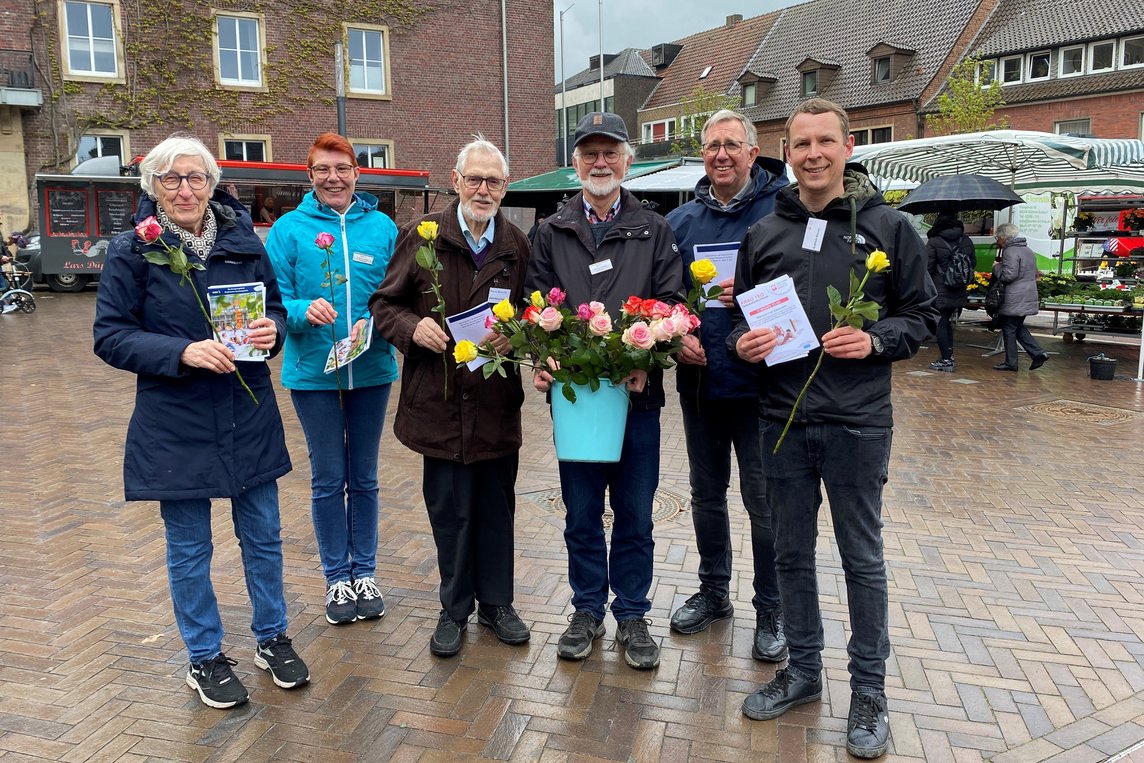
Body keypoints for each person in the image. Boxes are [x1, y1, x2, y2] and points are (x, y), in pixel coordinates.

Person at [730, 99, 937, 759]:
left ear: (849, 148)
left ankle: (869, 690)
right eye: (801, 143)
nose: (813, 153)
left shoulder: (891, 229)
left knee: (861, 558)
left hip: (856, 423)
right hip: (781, 420)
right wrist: (743, 344)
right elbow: (740, 320)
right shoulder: (764, 234)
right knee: (790, 553)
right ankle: (803, 669)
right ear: (786, 152)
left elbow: (924, 316)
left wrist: (875, 340)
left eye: (825, 141)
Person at [93, 135, 308, 710]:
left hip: (247, 410)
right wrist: (181, 353)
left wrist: (273, 332)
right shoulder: (132, 250)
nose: (185, 189)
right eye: (171, 179)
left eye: (195, 178)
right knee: (189, 547)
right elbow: (110, 335)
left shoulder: (243, 239)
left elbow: (276, 310)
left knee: (263, 536)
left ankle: (273, 638)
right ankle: (205, 657)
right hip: (176, 419)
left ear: (213, 185)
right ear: (153, 187)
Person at [528, 112, 683, 670]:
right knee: (582, 512)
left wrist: (645, 358)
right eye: (589, 153)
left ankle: (633, 614)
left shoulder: (655, 229)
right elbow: (535, 305)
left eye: (610, 153)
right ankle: (587, 609)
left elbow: (672, 304)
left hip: (636, 398)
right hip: (575, 400)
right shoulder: (551, 229)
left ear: (628, 159)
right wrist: (543, 359)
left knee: (636, 513)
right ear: (575, 163)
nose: (600, 163)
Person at [370, 137, 532, 658]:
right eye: (475, 179)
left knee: (495, 509)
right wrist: (412, 328)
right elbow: (383, 304)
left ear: (505, 188)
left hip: (494, 401)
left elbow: (534, 312)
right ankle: (454, 609)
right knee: (450, 511)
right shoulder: (422, 236)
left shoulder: (516, 243)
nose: (483, 189)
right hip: (437, 404)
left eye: (494, 181)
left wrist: (519, 333)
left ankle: (498, 605)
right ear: (456, 181)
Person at [663, 109, 788, 661]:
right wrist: (673, 337)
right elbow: (662, 294)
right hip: (700, 383)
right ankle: (715, 592)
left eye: (731, 146)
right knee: (706, 496)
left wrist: (759, 290)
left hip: (763, 386)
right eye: (712, 146)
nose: (720, 155)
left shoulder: (783, 211)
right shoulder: (681, 222)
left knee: (764, 502)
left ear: (752, 152)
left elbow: (802, 285)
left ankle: (772, 609)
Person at [266, 132, 400, 626]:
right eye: (323, 169)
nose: (333, 178)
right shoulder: (288, 229)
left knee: (363, 476)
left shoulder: (383, 228)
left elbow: (397, 293)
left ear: (357, 174)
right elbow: (275, 300)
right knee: (328, 477)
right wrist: (304, 310)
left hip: (370, 369)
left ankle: (364, 571)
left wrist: (379, 319)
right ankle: (336, 580)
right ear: (310, 176)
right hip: (312, 374)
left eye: (341, 168)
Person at [990, 222, 1049, 372]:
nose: (997, 240)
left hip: (1014, 296)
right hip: (1027, 294)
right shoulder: (1027, 250)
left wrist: (996, 267)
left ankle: (1012, 362)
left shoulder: (1010, 251)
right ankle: (1037, 353)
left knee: (1009, 328)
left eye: (998, 237)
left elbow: (1009, 275)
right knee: (1016, 326)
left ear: (1003, 237)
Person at [926, 213, 974, 372]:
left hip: (940, 288)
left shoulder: (934, 241)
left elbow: (927, 266)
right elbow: (972, 262)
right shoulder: (966, 240)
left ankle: (946, 359)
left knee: (941, 322)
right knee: (947, 322)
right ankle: (947, 357)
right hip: (959, 287)